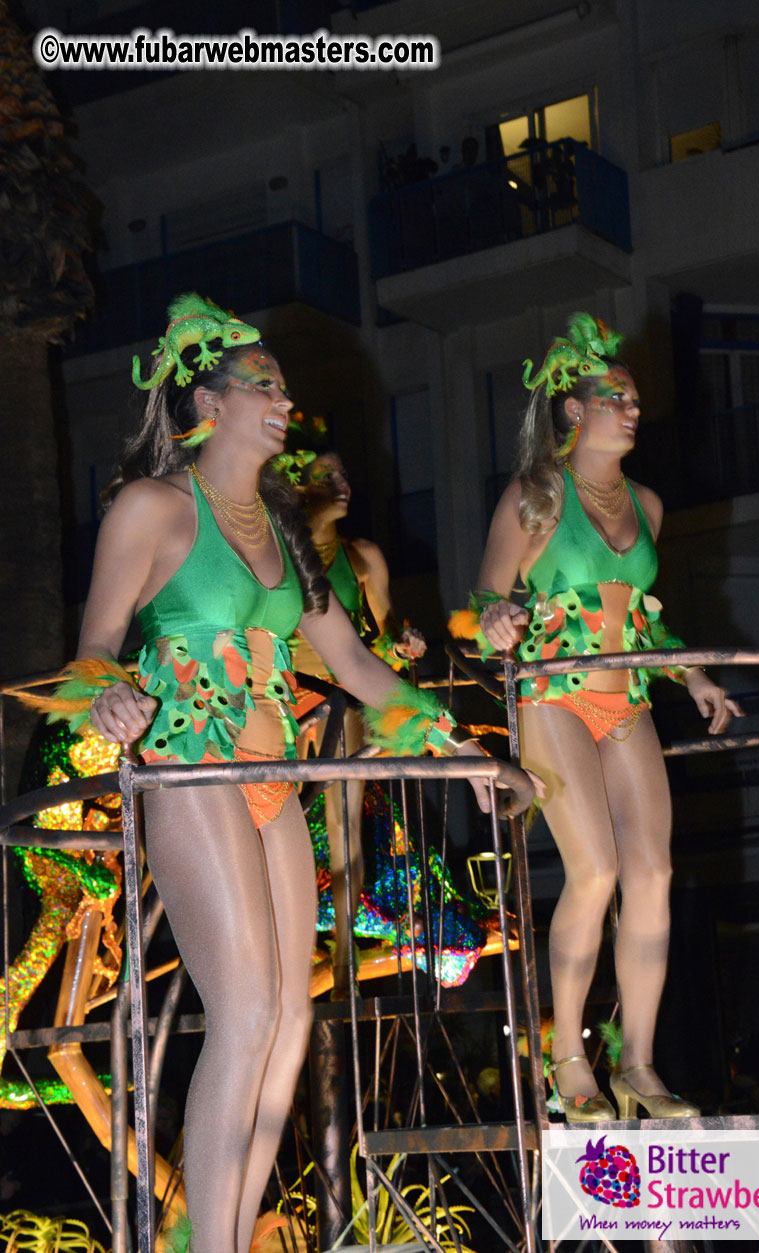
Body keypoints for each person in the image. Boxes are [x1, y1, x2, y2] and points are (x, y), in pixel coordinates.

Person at [38, 293, 502, 1253]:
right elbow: (92, 646)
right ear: (206, 401)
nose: (285, 398)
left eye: (283, 385)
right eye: (265, 384)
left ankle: (227, 1233)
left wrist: (460, 752)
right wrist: (111, 698)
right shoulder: (154, 506)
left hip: (273, 776)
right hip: (190, 770)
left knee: (291, 1016)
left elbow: (362, 668)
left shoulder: (284, 528)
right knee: (244, 1010)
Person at [456, 312, 742, 1123]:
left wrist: (697, 677)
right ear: (574, 412)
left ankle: (639, 1061)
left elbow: (649, 621)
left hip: (628, 696)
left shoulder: (646, 505)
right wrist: (497, 622)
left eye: (635, 397)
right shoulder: (534, 496)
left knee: (654, 872)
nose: (632, 407)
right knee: (598, 870)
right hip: (553, 695)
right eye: (615, 395)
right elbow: (482, 601)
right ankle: (569, 1057)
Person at [292, 442, 426, 997]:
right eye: (327, 474)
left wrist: (407, 640)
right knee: (284, 834)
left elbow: (387, 627)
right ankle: (297, 949)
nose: (342, 481)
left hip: (341, 702)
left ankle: (344, 954)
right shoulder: (273, 553)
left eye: (344, 470)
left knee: (344, 831)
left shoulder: (363, 556)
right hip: (280, 701)